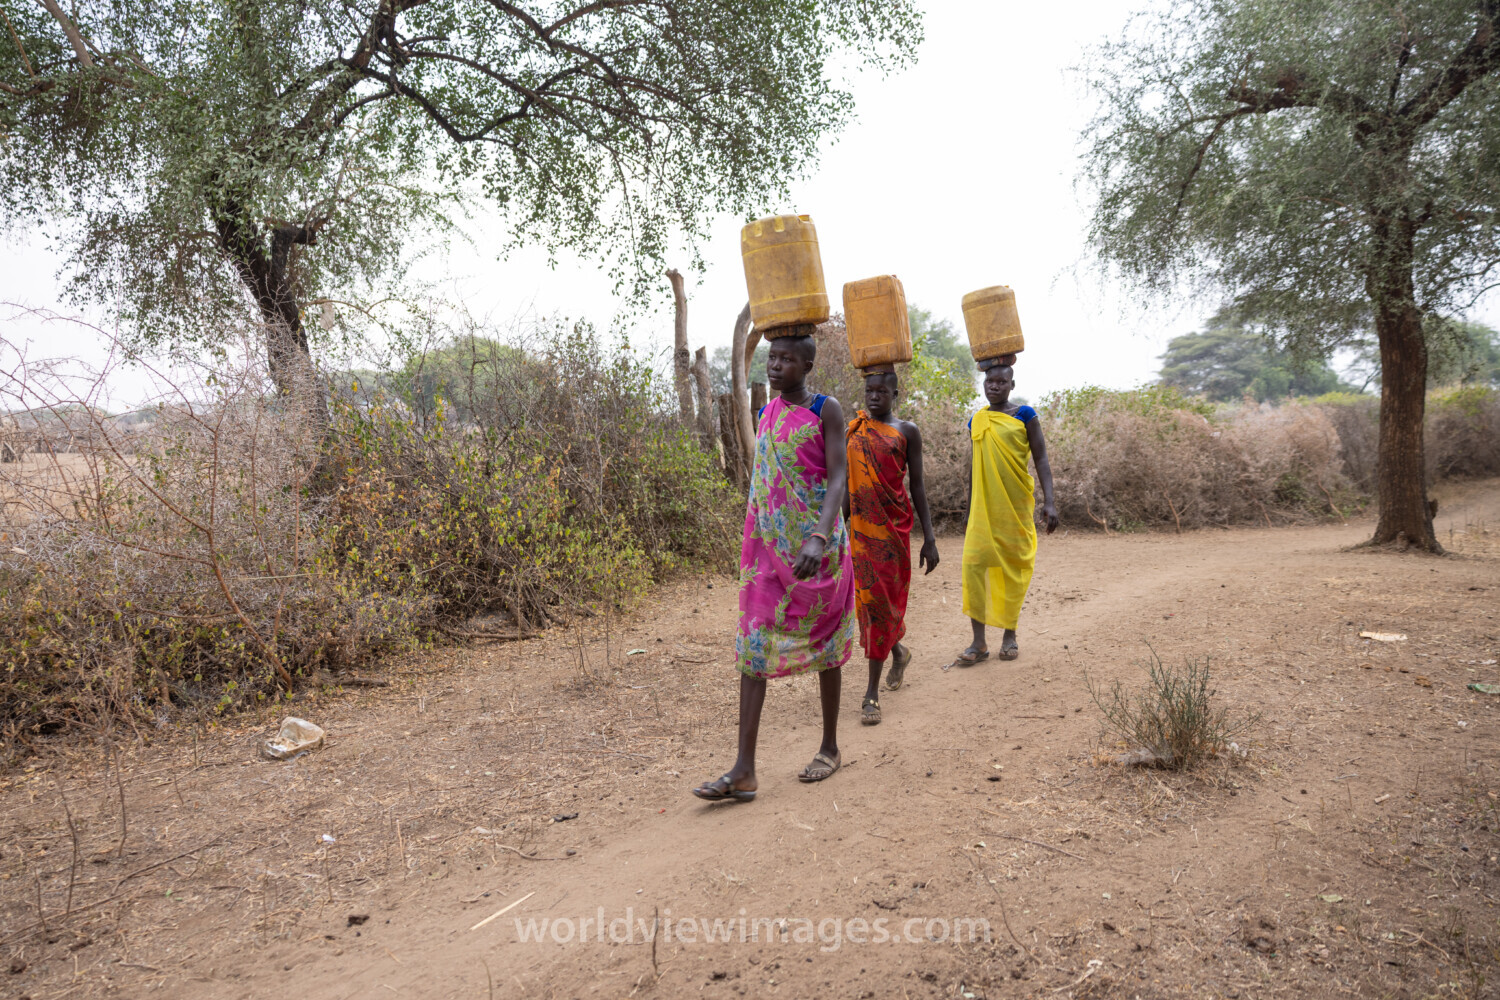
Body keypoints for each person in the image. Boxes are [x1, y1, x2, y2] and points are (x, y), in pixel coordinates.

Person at [692, 332, 853, 803]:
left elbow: (839, 476)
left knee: (828, 643)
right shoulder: (766, 413)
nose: (776, 366)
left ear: (807, 365)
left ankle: (829, 746)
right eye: (772, 357)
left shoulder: (828, 409)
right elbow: (764, 482)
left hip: (817, 550)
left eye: (786, 359)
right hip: (770, 555)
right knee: (753, 645)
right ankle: (744, 768)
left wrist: (819, 537)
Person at [843, 370, 939, 725]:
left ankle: (871, 694)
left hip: (893, 533)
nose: (874, 396)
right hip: (861, 533)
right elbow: (846, 486)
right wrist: (834, 528)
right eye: (870, 390)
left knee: (881, 606)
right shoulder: (854, 431)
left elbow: (917, 488)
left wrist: (929, 538)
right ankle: (898, 653)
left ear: (895, 393)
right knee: (869, 607)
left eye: (882, 391)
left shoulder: (906, 431)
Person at [953, 364, 1058, 666]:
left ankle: (1009, 634)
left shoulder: (1025, 415)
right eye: (990, 381)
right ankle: (978, 641)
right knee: (974, 566)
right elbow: (976, 467)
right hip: (984, 509)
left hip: (1015, 505)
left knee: (1013, 566)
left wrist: (1049, 501)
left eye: (1001, 381)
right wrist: (969, 508)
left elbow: (1041, 459)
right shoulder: (978, 420)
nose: (994, 386)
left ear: (1012, 384)